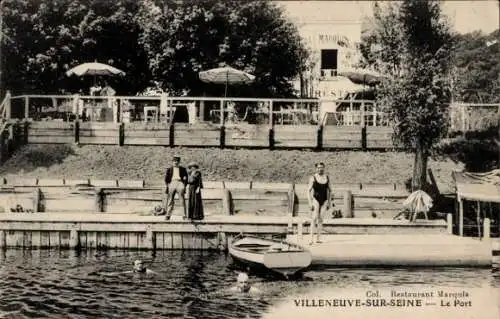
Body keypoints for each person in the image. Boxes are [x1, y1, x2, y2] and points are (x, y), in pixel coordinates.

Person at [307, 162, 332, 244]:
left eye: (321, 167)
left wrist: (329, 202)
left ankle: (318, 238)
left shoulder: (327, 177)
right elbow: (308, 191)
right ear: (316, 168)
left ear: (324, 168)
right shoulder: (313, 178)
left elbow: (330, 190)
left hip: (324, 200)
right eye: (318, 167)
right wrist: (310, 202)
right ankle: (311, 238)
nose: (320, 169)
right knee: (314, 218)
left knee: (321, 219)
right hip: (316, 199)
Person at [164, 156, 188, 220]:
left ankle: (184, 215)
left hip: (180, 183)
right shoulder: (169, 169)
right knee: (170, 200)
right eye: (174, 161)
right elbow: (166, 179)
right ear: (172, 162)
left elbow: (186, 178)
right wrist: (168, 185)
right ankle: (168, 215)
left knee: (182, 200)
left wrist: (184, 185)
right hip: (172, 183)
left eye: (177, 161)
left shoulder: (183, 169)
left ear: (179, 162)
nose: (176, 162)